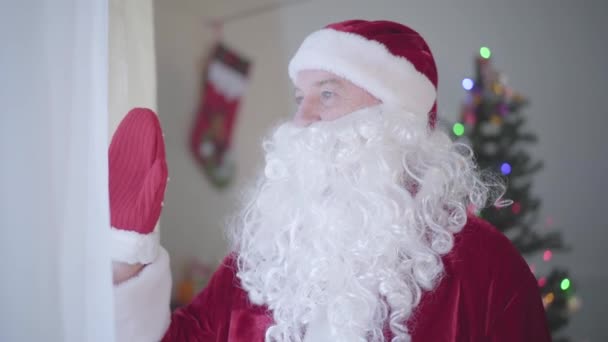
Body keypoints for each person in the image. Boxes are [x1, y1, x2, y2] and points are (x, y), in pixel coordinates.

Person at [111, 20, 551, 342]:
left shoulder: (486, 266)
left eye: (327, 93)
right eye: (300, 98)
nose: (300, 120)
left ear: (395, 119)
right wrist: (126, 258)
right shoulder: (268, 259)